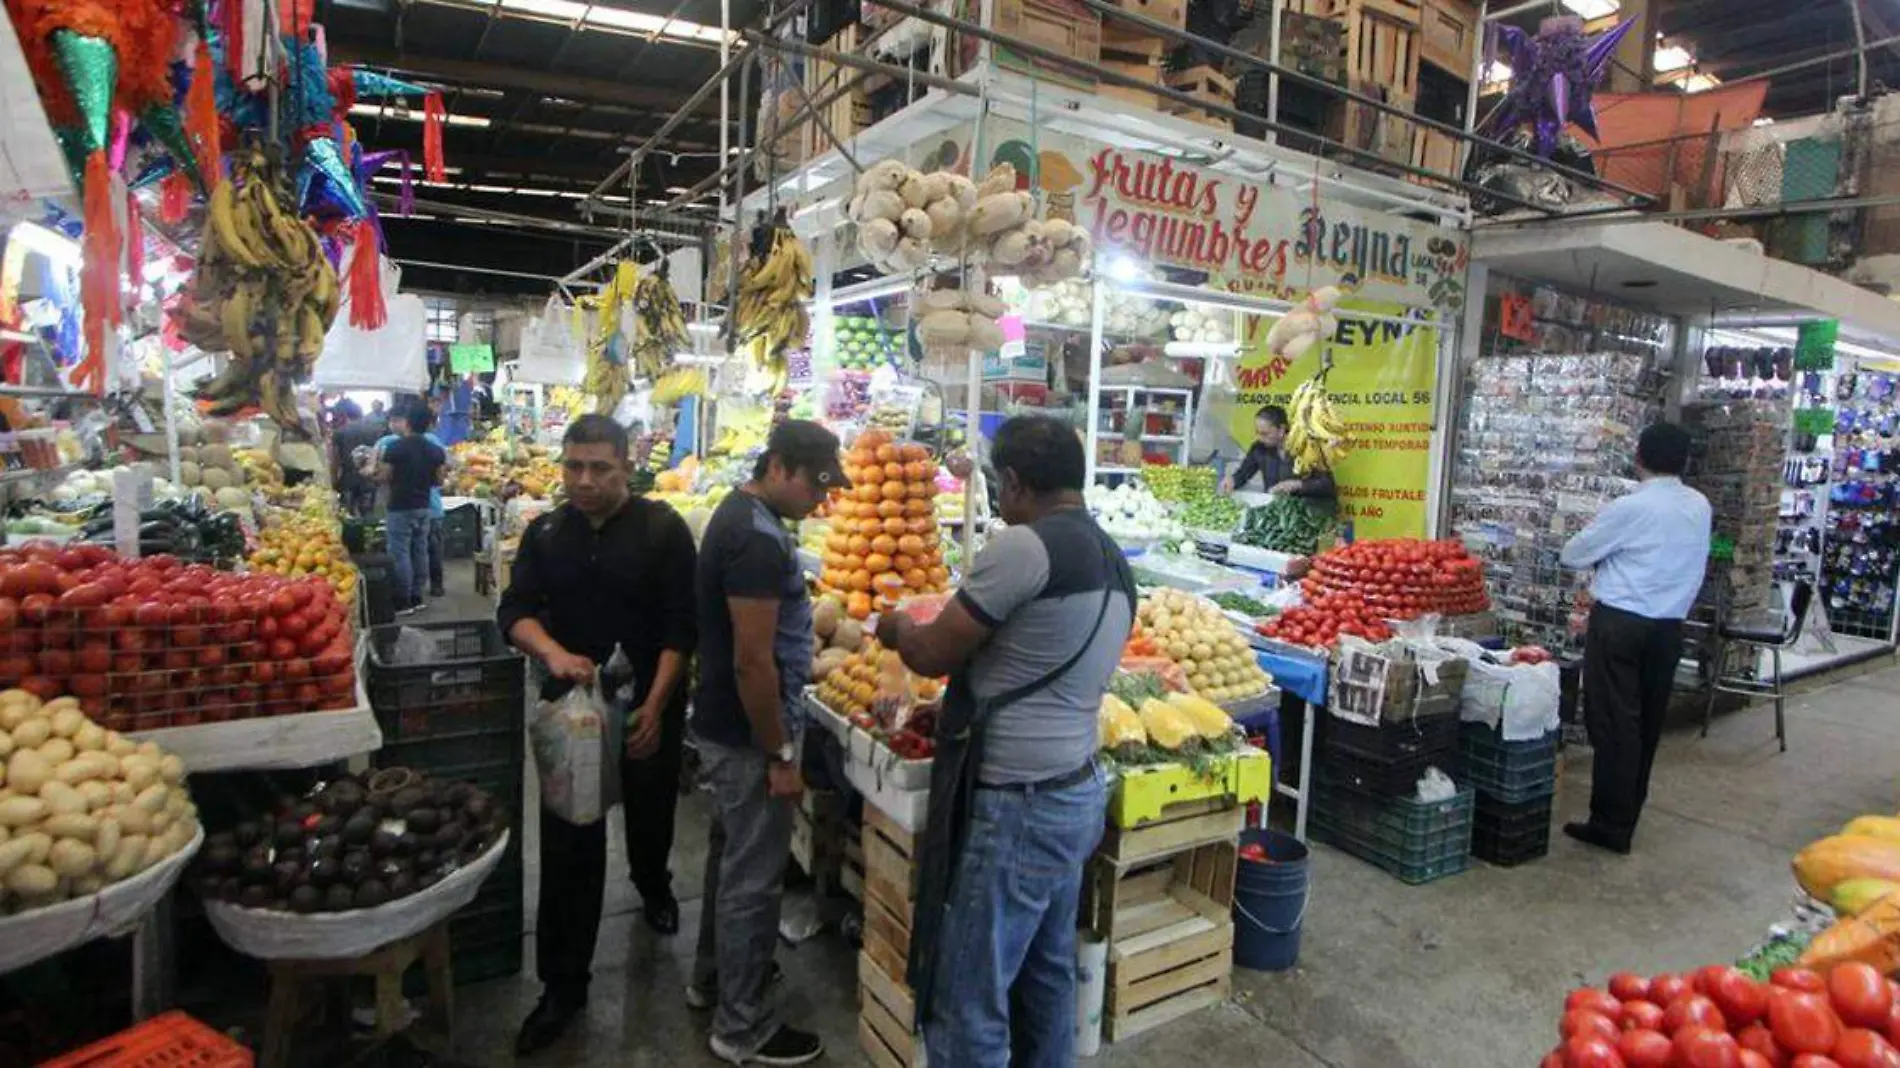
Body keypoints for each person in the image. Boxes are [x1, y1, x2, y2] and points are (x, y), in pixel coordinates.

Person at [875, 415, 1136, 1067]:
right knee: (1044, 978)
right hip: (1076, 791)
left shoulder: (1023, 548)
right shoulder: (1112, 558)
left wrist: (896, 627)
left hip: (1017, 807)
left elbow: (933, 653)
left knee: (968, 1000)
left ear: (1014, 482)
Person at [496, 414, 699, 1055]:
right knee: (569, 844)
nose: (583, 481)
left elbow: (680, 628)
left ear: (627, 466)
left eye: (599, 469)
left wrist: (657, 706)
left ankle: (654, 884)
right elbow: (514, 611)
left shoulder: (663, 531)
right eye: (573, 467)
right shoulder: (546, 532)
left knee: (650, 808)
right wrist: (552, 653)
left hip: (647, 701)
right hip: (571, 714)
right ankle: (563, 985)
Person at [691, 420, 846, 1067]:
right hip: (750, 738)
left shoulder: (741, 515)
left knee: (733, 866)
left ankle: (714, 979)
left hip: (729, 729)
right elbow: (754, 663)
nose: (821, 498)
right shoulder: (756, 541)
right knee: (755, 883)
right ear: (779, 466)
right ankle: (743, 1028)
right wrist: (780, 754)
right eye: (816, 482)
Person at [1558, 421, 1711, 855]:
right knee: (1646, 723)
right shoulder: (1699, 506)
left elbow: (1574, 554)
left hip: (1621, 624)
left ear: (1639, 456)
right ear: (1684, 461)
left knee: (1613, 723)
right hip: (1667, 629)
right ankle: (1626, 816)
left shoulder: (1631, 507)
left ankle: (1610, 824)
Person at [376, 403, 446, 614]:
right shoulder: (435, 450)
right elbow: (439, 481)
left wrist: (371, 474)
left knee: (400, 552)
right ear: (428, 425)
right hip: (424, 505)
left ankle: (403, 600)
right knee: (420, 549)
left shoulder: (395, 447)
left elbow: (385, 477)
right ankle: (417, 596)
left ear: (407, 423)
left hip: (399, 506)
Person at [1221, 404, 1336, 499]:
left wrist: (1297, 485)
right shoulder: (1259, 448)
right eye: (1257, 432)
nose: (1259, 437)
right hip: (1277, 510)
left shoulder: (1308, 448)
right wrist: (1233, 480)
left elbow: (1327, 485)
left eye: (1264, 434)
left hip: (1309, 513)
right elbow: (1244, 473)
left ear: (1281, 430)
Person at [331, 407, 382, 518]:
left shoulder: (339, 432)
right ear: (361, 415)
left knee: (347, 514)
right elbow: (378, 454)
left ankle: (351, 534)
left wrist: (333, 478)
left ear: (346, 416)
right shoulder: (373, 431)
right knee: (368, 514)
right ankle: (367, 534)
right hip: (369, 478)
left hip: (347, 478)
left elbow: (335, 458)